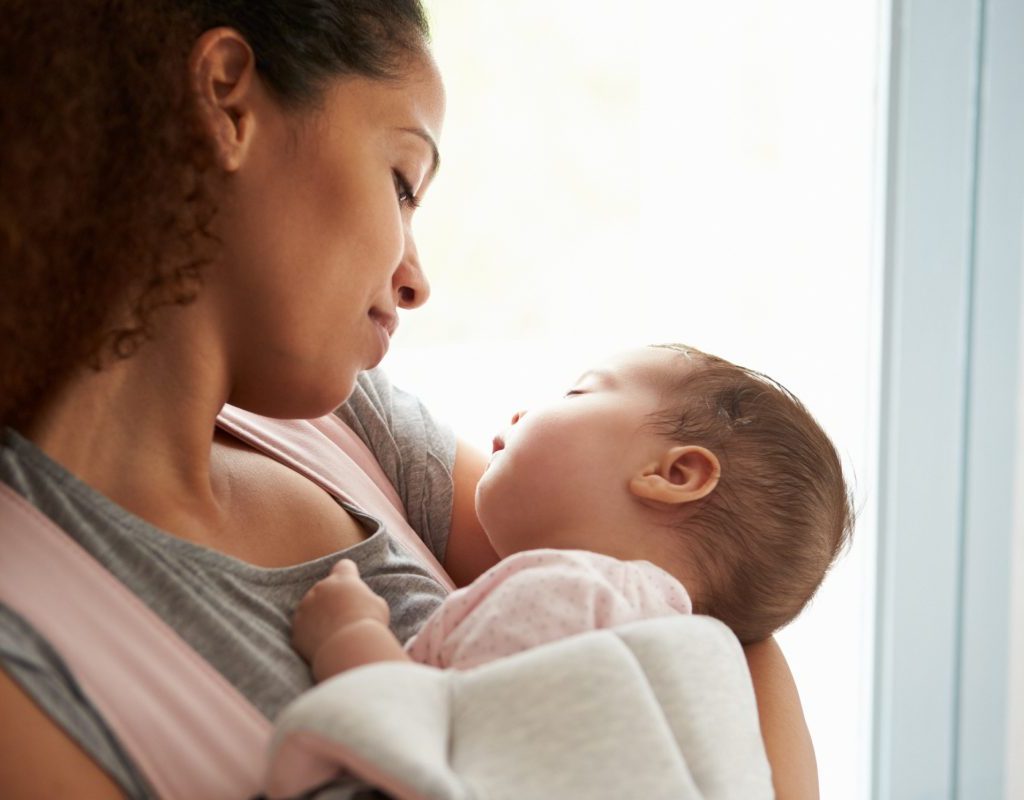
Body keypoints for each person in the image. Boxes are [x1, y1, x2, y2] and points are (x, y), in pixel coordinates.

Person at [0, 2, 819, 798]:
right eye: (401, 182)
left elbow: (696, 585)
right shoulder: (27, 653)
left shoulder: (347, 425)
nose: (415, 280)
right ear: (227, 100)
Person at [293, 344, 853, 676]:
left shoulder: (569, 602)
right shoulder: (677, 653)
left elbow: (425, 739)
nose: (523, 411)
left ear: (674, 474)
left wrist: (350, 638)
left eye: (578, 394)